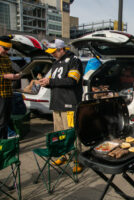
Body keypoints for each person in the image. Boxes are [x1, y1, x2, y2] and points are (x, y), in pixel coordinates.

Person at [39, 39, 83, 173]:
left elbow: (72, 80)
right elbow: (55, 82)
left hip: (69, 104)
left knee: (71, 134)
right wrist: (46, 82)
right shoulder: (55, 63)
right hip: (57, 104)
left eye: (54, 52)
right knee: (59, 133)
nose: (52, 54)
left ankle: (76, 160)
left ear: (62, 49)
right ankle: (64, 155)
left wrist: (51, 81)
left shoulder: (74, 60)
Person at [0, 35, 21, 139]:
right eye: (5, 49)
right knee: (1, 121)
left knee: (5, 120)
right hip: (0, 94)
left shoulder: (6, 58)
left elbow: (12, 70)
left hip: (8, 93)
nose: (6, 51)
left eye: (8, 49)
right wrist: (6, 76)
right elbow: (5, 75)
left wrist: (16, 75)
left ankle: (4, 143)